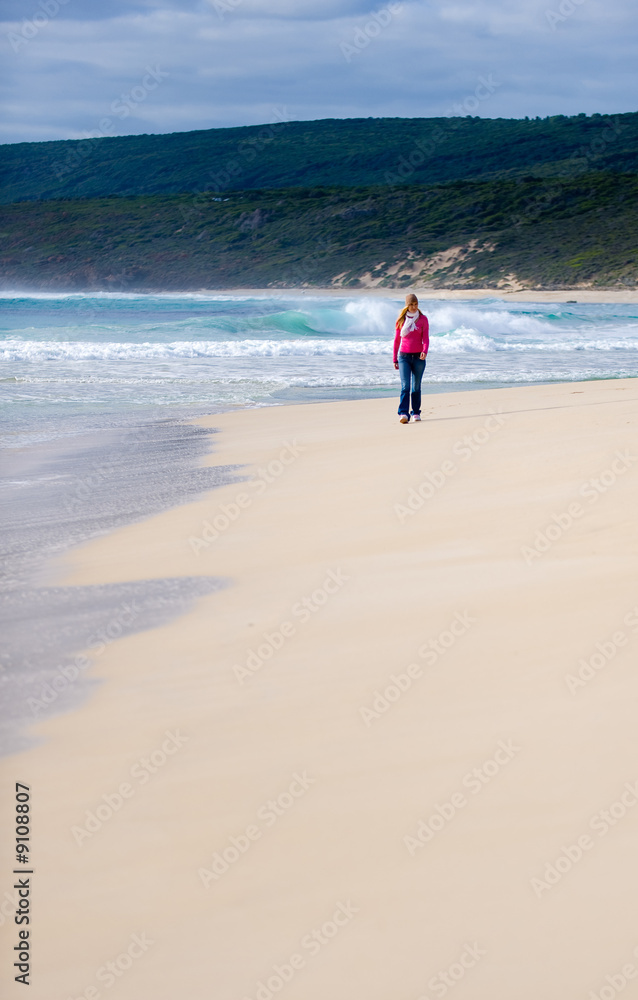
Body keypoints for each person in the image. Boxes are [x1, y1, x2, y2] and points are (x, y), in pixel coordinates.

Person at [393, 293, 429, 423]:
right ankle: (403, 413)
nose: (414, 307)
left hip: (419, 357)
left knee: (416, 387)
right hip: (404, 357)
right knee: (405, 387)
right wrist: (395, 359)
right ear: (407, 305)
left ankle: (416, 412)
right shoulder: (401, 320)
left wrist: (425, 351)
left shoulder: (423, 319)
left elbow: (425, 338)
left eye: (416, 304)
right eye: (411, 304)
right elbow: (397, 340)